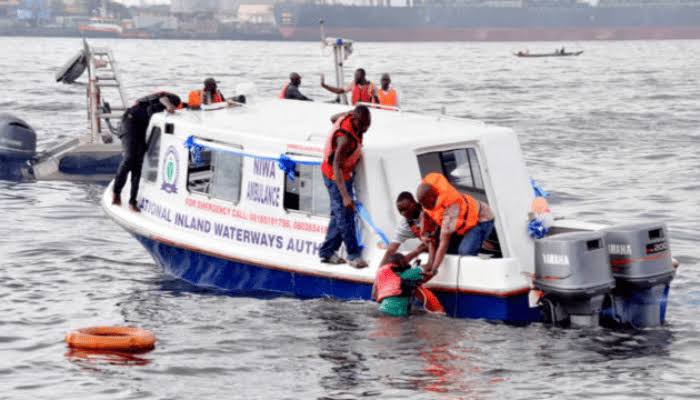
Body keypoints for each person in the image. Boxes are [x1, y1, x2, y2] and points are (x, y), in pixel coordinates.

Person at [319, 105, 372, 268]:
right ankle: (353, 255)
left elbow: (333, 118)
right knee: (344, 215)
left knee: (338, 214)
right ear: (355, 120)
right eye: (362, 125)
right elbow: (336, 166)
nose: (364, 129)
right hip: (335, 176)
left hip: (345, 174)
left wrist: (348, 113)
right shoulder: (344, 139)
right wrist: (345, 196)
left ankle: (327, 251)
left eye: (367, 126)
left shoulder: (349, 118)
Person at [416, 173, 495, 279]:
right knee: (447, 249)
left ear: (432, 197)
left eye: (425, 203)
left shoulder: (451, 207)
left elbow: (444, 243)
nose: (424, 207)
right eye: (422, 204)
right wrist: (424, 233)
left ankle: (477, 277)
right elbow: (425, 214)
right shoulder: (427, 199)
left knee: (465, 252)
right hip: (461, 222)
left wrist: (434, 270)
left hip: (481, 219)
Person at [112, 92, 182, 212]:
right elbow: (162, 100)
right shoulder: (171, 99)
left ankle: (132, 201)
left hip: (141, 128)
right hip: (129, 123)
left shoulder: (177, 105)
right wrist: (169, 105)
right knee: (129, 159)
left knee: (138, 166)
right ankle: (116, 192)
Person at [380, 192, 437, 266]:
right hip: (430, 244)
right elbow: (391, 249)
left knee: (424, 244)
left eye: (405, 209)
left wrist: (430, 264)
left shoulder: (428, 211)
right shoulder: (405, 224)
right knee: (398, 260)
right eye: (400, 211)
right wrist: (380, 270)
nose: (403, 213)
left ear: (414, 204)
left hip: (446, 241)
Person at [372, 253, 424, 317]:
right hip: (398, 313)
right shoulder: (411, 274)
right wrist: (431, 248)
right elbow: (430, 266)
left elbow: (374, 295)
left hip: (383, 309)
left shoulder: (386, 274)